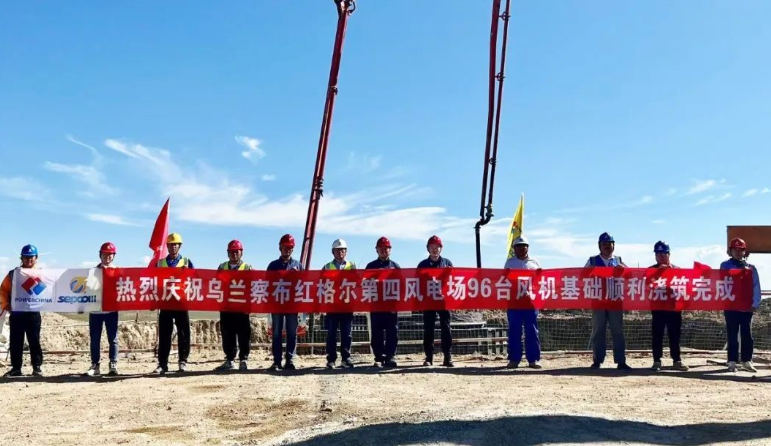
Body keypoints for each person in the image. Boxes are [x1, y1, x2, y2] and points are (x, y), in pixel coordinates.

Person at [585, 232, 631, 370]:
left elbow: (630, 275)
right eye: (604, 244)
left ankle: (621, 361)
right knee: (598, 330)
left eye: (609, 244)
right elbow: (582, 276)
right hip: (598, 301)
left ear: (613, 245)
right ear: (599, 246)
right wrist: (590, 271)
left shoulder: (618, 260)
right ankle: (597, 360)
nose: (607, 247)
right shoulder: (592, 260)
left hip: (615, 300)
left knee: (618, 331)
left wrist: (624, 270)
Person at [151, 232, 194, 375]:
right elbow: (153, 282)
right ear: (167, 246)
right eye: (170, 244)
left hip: (181, 304)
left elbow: (196, 280)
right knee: (164, 335)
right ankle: (163, 364)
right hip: (166, 303)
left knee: (183, 334)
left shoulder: (187, 263)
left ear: (179, 246)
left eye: (176, 244)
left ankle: (183, 361)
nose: (173, 246)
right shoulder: (160, 263)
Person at [1, 245, 44, 377]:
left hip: (33, 313)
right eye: (26, 257)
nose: (29, 260)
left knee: (34, 341)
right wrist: (6, 304)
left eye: (31, 257)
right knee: (16, 342)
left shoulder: (42, 274)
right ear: (22, 258)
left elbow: (50, 291)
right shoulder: (13, 274)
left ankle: (37, 367)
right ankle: (16, 368)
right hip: (17, 313)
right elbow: (3, 290)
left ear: (36, 258)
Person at [720, 237, 762, 373]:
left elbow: (756, 286)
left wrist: (755, 303)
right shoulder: (725, 266)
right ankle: (732, 361)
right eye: (735, 250)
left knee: (746, 335)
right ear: (730, 251)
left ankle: (747, 361)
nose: (738, 252)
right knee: (732, 334)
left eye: (741, 250)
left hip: (746, 308)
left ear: (744, 252)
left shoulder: (751, 268)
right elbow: (720, 283)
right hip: (731, 307)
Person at [649, 241, 688, 372]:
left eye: (663, 254)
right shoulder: (650, 270)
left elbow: (684, 287)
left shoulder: (677, 270)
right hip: (658, 308)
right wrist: (656, 274)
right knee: (657, 335)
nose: (660, 257)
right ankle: (656, 361)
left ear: (669, 254)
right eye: (658, 254)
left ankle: (676, 360)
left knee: (675, 335)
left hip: (673, 308)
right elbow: (645, 286)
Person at [504, 236, 542, 369]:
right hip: (514, 303)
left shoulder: (535, 262)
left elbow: (540, 281)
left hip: (530, 303)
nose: (521, 248)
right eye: (518, 246)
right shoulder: (510, 263)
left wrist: (533, 292)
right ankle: (514, 359)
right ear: (514, 248)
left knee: (532, 331)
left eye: (524, 245)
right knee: (514, 331)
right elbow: (504, 281)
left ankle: (534, 360)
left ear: (528, 247)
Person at [267, 234, 304, 371]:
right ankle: (277, 361)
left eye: (290, 247)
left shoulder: (298, 265)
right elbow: (267, 284)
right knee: (276, 333)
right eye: (285, 247)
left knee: (291, 332)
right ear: (280, 248)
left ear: (293, 249)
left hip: (292, 305)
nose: (287, 250)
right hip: (277, 305)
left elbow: (304, 283)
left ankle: (290, 360)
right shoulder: (273, 266)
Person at [215, 240, 253, 372]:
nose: (234, 254)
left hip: (242, 308)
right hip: (227, 307)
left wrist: (250, 306)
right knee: (227, 334)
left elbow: (252, 288)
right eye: (232, 252)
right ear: (228, 253)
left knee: (243, 334)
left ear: (241, 252)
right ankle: (230, 360)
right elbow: (216, 285)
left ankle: (243, 359)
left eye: (236, 251)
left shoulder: (247, 268)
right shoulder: (222, 267)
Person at [417, 235, 454, 367]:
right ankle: (429, 357)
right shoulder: (422, 265)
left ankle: (447, 357)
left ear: (441, 249)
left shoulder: (447, 263)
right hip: (428, 301)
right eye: (432, 247)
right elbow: (417, 284)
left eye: (437, 247)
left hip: (444, 301)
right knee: (428, 329)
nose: (435, 249)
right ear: (428, 249)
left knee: (446, 328)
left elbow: (453, 281)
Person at [85, 242, 120, 376]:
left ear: (113, 256)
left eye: (110, 254)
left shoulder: (118, 271)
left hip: (111, 311)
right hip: (96, 310)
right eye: (105, 254)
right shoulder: (93, 271)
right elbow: (88, 288)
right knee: (95, 339)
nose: (107, 257)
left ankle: (113, 364)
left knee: (113, 338)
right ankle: (95, 364)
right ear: (100, 255)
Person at [365, 237, 401, 368]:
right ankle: (379, 357)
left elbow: (401, 286)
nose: (383, 251)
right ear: (376, 250)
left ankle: (390, 356)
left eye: (386, 249)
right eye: (381, 249)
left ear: (390, 250)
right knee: (377, 333)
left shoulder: (395, 267)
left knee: (392, 333)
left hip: (391, 306)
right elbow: (364, 285)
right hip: (376, 306)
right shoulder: (370, 266)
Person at [323, 239, 356, 369]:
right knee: (331, 334)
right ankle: (331, 360)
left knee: (346, 334)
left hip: (347, 306)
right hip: (332, 306)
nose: (340, 252)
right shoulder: (327, 267)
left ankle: (346, 358)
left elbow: (357, 283)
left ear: (346, 251)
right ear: (333, 252)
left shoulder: (351, 266)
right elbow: (321, 284)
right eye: (338, 250)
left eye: (343, 250)